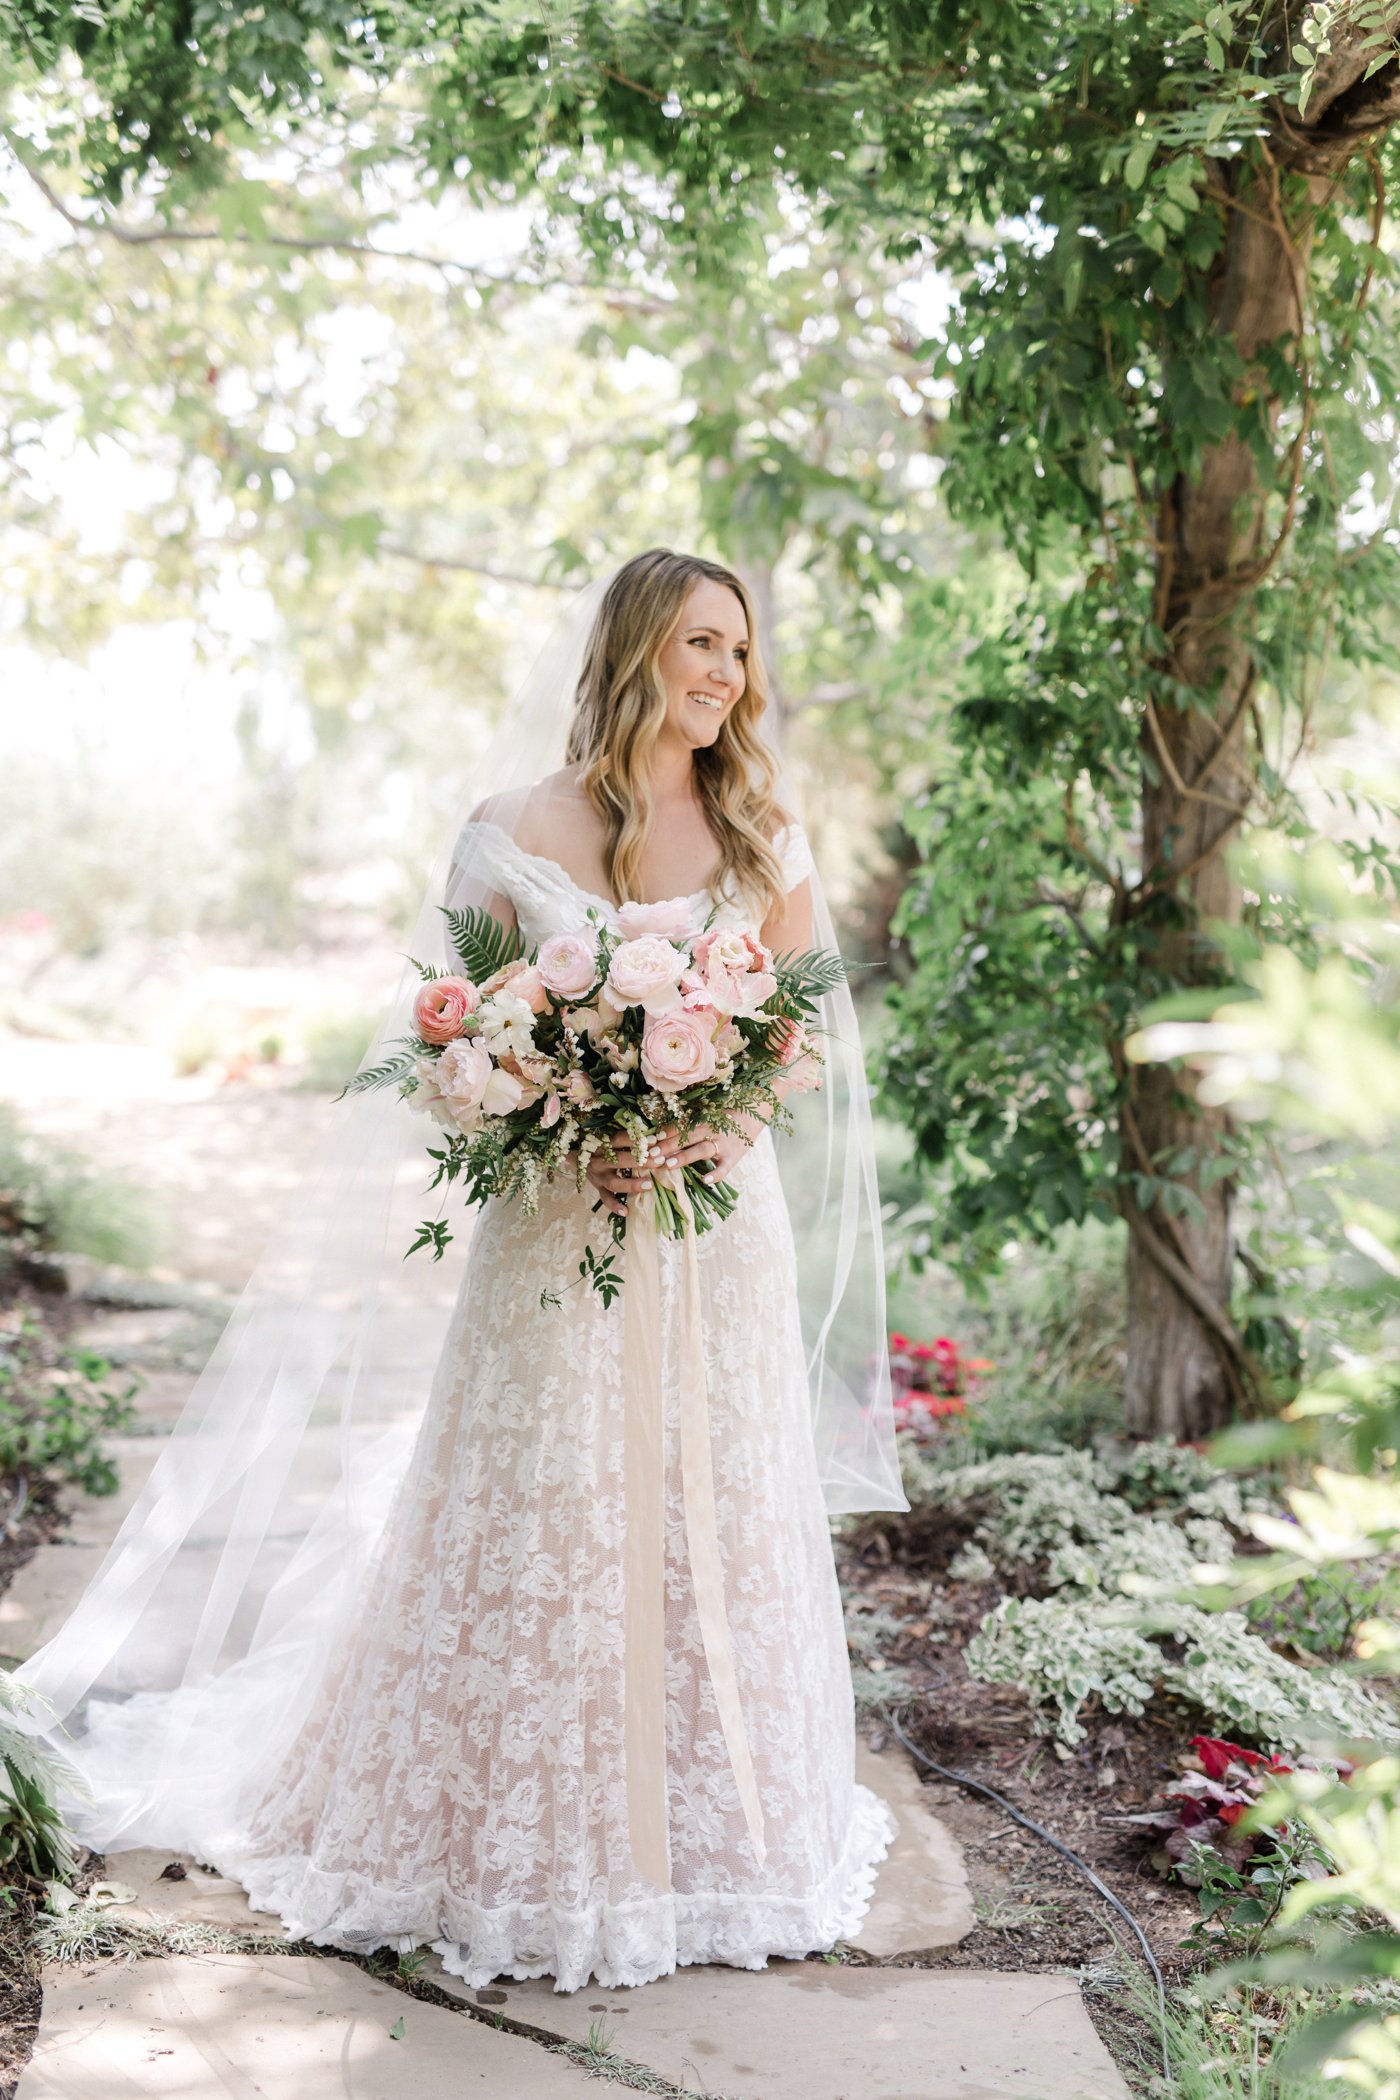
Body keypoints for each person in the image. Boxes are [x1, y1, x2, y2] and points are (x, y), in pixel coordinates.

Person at [17, 546, 907, 1995]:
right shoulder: (508, 831)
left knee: (711, 1502)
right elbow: (464, 1054)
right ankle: (513, 1837)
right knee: (546, 1504)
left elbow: (794, 1041)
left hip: (714, 1231)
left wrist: (690, 1132)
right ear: (633, 649)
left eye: (739, 653)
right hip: (558, 1233)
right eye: (697, 643)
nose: (723, 677)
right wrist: (573, 1122)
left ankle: (717, 1827)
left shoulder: (764, 835)